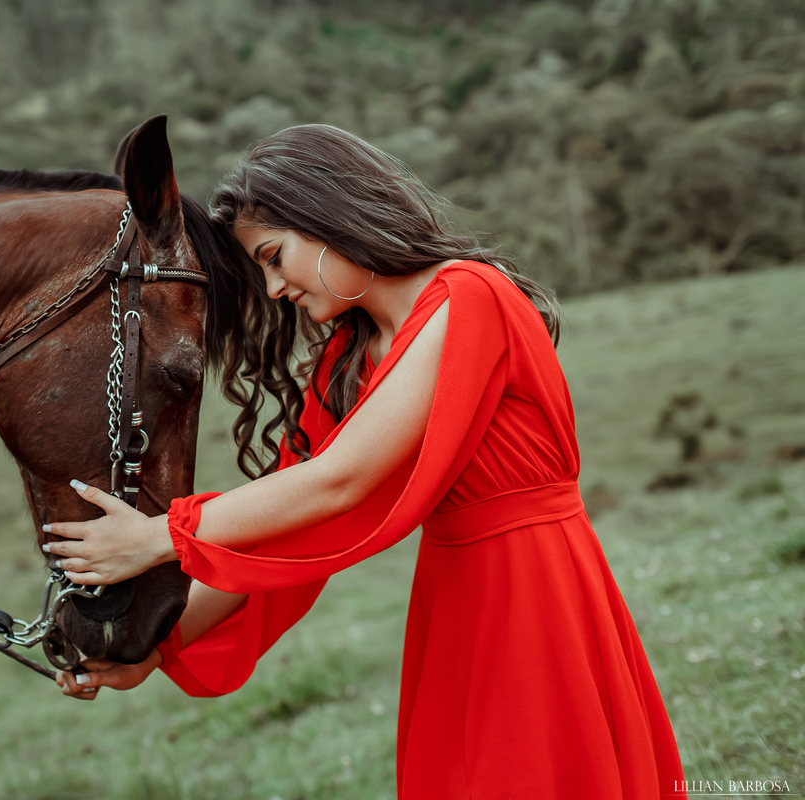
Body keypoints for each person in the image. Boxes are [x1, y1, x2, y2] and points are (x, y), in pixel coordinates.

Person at [42, 124, 686, 799]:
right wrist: (150, 647)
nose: (274, 287)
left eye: (274, 256)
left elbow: (339, 480)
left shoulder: (470, 296)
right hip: (455, 601)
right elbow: (282, 534)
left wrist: (154, 536)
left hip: (540, 588)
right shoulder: (347, 362)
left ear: (326, 216)